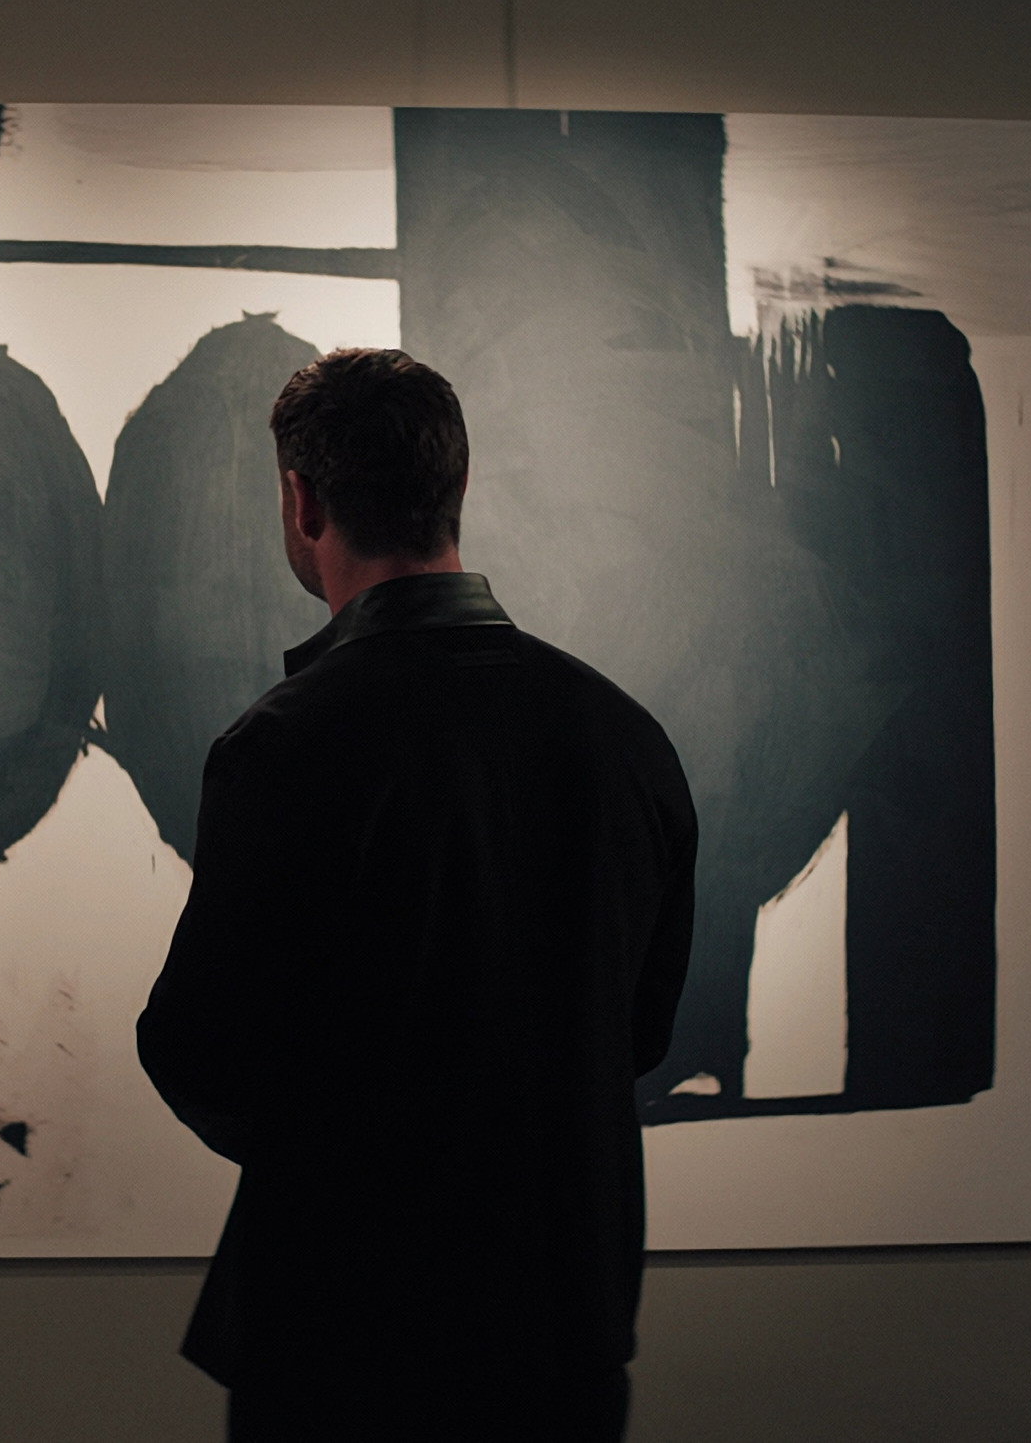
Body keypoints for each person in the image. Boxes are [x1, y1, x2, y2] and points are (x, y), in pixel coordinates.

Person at [137, 348, 698, 1442]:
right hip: (564, 1327)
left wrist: (343, 1145)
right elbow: (639, 1031)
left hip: (345, 1336)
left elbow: (201, 1050)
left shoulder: (285, 745)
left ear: (301, 501)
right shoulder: (622, 735)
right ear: (458, 486)